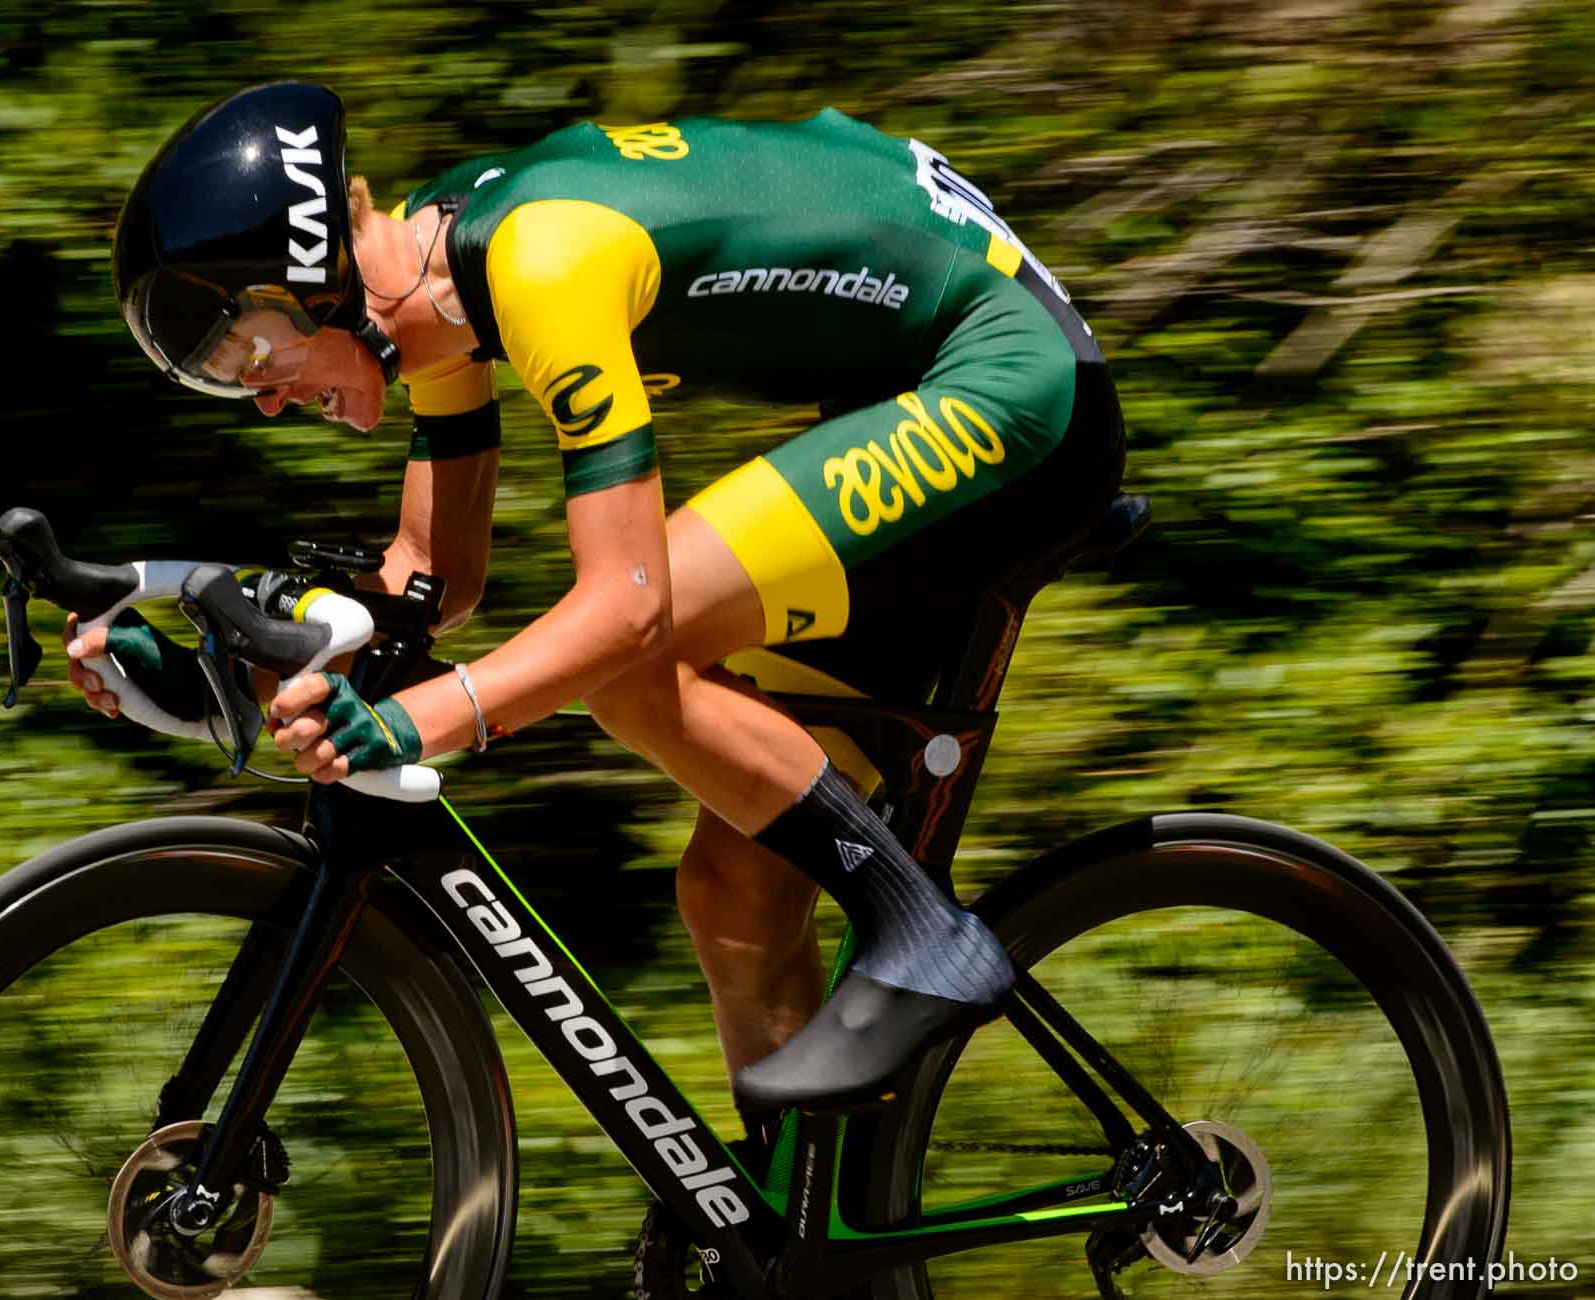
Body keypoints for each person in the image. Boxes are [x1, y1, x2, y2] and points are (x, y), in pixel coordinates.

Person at [80, 80, 1127, 1124]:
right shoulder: (436, 283)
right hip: (920, 386)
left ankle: (922, 930)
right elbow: (426, 588)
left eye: (252, 352)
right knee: (736, 902)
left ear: (311, 276)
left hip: (1012, 383)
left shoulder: (540, 261)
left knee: (633, 666)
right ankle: (805, 1256)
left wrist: (408, 726)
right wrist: (209, 681)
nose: (264, 395)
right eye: (230, 379)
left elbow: (627, 609)